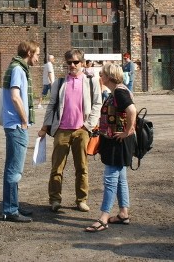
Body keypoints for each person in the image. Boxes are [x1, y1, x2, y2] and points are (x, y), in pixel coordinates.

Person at [39, 49, 103, 213]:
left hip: (82, 130)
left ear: (82, 63)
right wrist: (45, 126)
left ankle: (81, 200)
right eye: (69, 62)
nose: (72, 65)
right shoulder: (59, 83)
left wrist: (88, 125)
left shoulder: (91, 82)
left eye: (75, 62)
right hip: (62, 130)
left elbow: (97, 104)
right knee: (57, 168)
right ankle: (54, 199)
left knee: (82, 167)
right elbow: (52, 106)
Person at [85, 63, 136, 233]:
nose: (100, 76)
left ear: (109, 76)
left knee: (110, 179)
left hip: (117, 142)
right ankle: (123, 213)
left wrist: (127, 131)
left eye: (102, 74)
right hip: (116, 141)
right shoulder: (117, 91)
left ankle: (103, 218)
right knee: (120, 178)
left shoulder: (120, 92)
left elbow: (132, 110)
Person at [1, 41, 40, 223]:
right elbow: (15, 97)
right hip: (17, 125)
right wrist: (24, 120)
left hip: (15, 124)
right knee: (14, 170)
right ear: (29, 53)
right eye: (37, 53)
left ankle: (13, 204)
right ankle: (10, 210)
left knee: (14, 168)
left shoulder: (17, 67)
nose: (38, 57)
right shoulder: (18, 69)